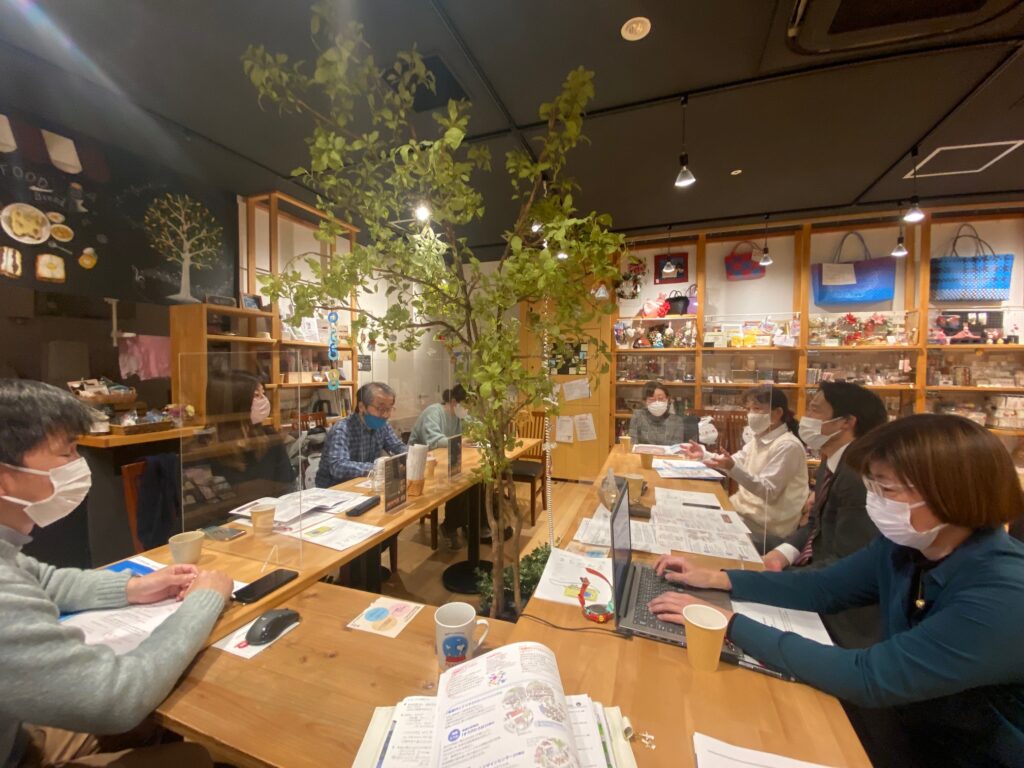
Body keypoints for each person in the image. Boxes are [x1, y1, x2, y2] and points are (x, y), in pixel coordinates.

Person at [649, 414, 1024, 768]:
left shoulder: (1003, 596)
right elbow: (822, 588)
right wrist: (720, 579)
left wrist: (729, 624)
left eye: (886, 489)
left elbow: (868, 677)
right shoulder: (908, 546)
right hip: (909, 722)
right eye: (872, 486)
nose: (875, 500)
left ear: (951, 494)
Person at [0, 379, 233, 768]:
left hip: (16, 733)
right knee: (191, 757)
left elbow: (43, 580)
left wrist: (137, 587)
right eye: (67, 452)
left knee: (151, 725)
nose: (79, 464)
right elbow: (116, 698)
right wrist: (204, 602)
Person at [764, 382, 889, 647]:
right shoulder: (832, 461)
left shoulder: (859, 476)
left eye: (815, 410)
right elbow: (815, 525)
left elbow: (848, 562)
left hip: (841, 610)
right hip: (814, 567)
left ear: (846, 422)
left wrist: (778, 583)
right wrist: (781, 554)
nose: (806, 417)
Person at [680, 385, 808, 550]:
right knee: (689, 514)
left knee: (697, 536)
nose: (750, 414)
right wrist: (704, 454)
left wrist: (732, 467)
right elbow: (734, 461)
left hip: (764, 529)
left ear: (777, 413)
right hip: (740, 513)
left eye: (757, 409)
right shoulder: (760, 439)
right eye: (748, 409)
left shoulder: (788, 446)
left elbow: (768, 491)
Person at [315, 381, 407, 487]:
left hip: (364, 484)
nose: (386, 415)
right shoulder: (342, 428)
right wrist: (378, 468)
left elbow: (397, 446)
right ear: (362, 406)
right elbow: (338, 466)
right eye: (380, 409)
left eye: (389, 408)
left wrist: (412, 455)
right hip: (335, 489)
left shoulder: (383, 425)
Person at [627, 381, 692, 445]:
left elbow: (676, 447)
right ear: (645, 401)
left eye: (660, 399)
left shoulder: (676, 421)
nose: (657, 402)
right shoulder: (638, 416)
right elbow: (632, 443)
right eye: (652, 399)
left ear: (667, 399)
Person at [408, 385, 468, 450]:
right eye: (467, 407)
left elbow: (473, 427)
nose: (468, 410)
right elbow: (434, 442)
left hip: (442, 453)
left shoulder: (458, 415)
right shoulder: (433, 412)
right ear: (454, 402)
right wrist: (458, 442)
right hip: (419, 454)